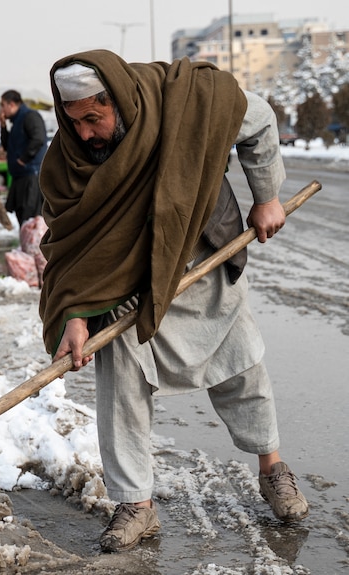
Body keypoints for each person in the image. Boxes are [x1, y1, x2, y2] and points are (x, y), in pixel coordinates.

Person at [38, 50, 309, 553]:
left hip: (199, 258)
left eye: (93, 119)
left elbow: (261, 120)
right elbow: (70, 246)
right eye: (72, 122)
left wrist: (267, 196)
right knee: (120, 388)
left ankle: (273, 471)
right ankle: (136, 505)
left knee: (242, 368)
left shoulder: (187, 100)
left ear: (116, 99)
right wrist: (74, 314)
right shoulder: (66, 162)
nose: (83, 135)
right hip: (124, 290)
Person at [0, 90, 47, 225]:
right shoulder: (16, 123)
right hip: (20, 176)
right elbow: (7, 145)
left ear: (12, 104)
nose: (1, 110)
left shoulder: (30, 116)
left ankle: (34, 246)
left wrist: (23, 159)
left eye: (3, 105)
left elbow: (38, 139)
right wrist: (3, 126)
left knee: (31, 217)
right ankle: (27, 245)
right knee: (22, 215)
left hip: (31, 175)